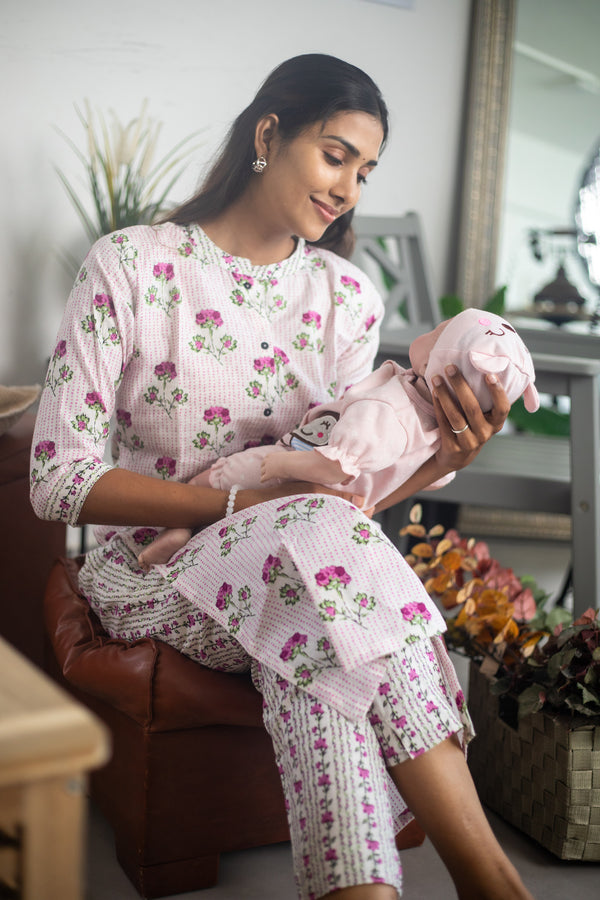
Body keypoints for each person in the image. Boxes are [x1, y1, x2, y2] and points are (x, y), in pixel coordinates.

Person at [31, 54, 535, 900]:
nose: (348, 189)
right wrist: (238, 502)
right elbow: (58, 480)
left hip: (302, 564)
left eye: (365, 171)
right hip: (154, 570)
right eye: (336, 155)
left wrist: (439, 460)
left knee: (317, 616)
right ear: (269, 133)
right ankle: (491, 881)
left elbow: (341, 493)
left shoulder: (347, 296)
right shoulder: (129, 265)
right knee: (316, 568)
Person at [137, 307, 540, 571]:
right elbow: (384, 489)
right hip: (330, 516)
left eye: (438, 332)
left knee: (215, 477)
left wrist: (281, 465)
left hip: (288, 470)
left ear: (440, 363)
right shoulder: (433, 434)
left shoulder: (387, 410)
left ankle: (177, 526)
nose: (430, 329)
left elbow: (333, 465)